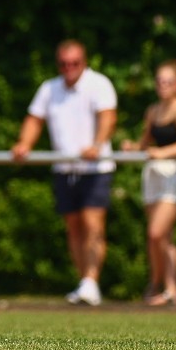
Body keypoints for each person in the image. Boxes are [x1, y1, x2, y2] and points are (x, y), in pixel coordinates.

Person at [11, 39, 117, 306]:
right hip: (64, 168)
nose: (69, 68)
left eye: (75, 63)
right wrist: (24, 144)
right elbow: (34, 119)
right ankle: (85, 282)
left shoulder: (99, 84)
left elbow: (108, 118)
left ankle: (91, 281)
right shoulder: (49, 88)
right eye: (63, 63)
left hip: (95, 168)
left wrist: (97, 145)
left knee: (93, 225)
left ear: (84, 62)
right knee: (73, 227)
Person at [121, 60, 176, 306]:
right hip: (154, 177)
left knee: (156, 233)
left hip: (175, 177)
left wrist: (161, 153)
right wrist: (133, 147)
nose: (163, 85)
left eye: (168, 81)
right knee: (162, 236)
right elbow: (145, 144)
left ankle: (161, 286)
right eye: (159, 81)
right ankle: (166, 289)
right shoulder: (153, 110)